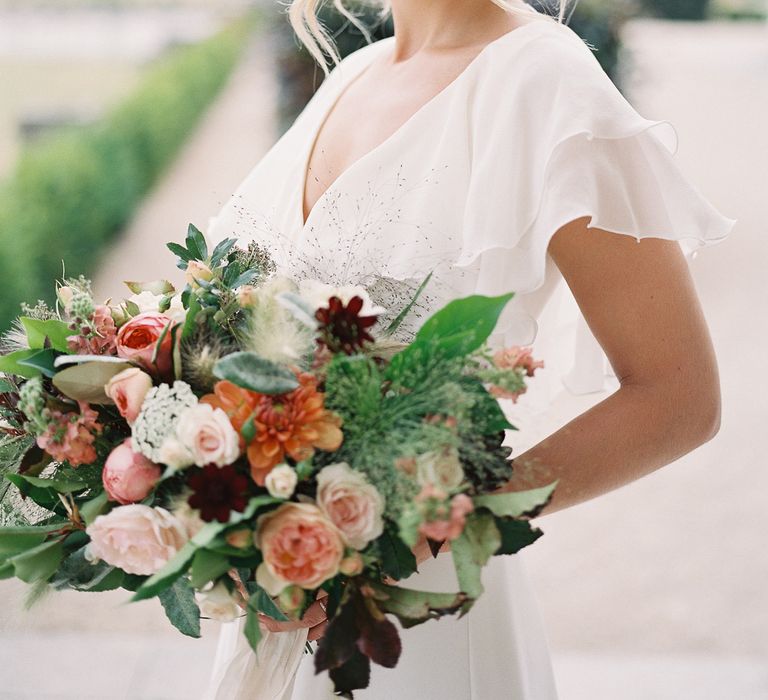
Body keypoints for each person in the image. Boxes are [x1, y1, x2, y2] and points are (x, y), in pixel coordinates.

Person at [204, 0, 736, 697]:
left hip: (414, 629)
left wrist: (416, 528)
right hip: (270, 617)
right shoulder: (354, 73)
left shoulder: (545, 82)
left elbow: (679, 397)